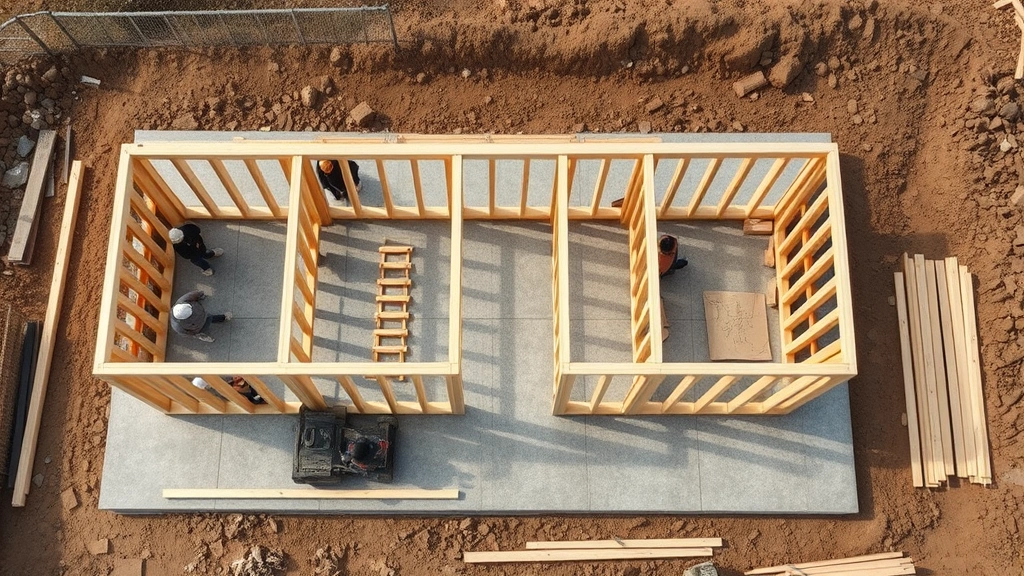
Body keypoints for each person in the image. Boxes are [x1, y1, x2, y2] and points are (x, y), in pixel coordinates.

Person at [191, 375, 265, 404]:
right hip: (232, 386)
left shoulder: (218, 377)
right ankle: (255, 397)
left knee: (242, 389)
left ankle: (256, 396)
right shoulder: (211, 386)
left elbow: (234, 378)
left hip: (238, 382)